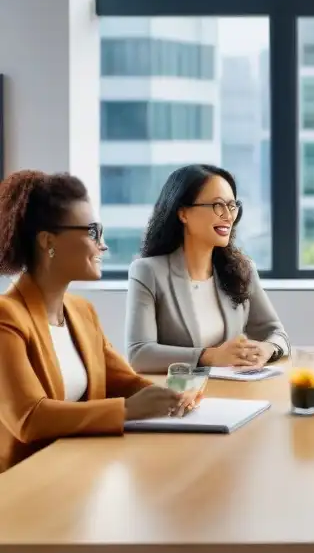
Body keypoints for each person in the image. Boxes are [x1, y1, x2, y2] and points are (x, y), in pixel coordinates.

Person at [0, 170, 187, 473]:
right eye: (92, 232)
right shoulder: (6, 317)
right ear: (49, 241)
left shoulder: (81, 311)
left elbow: (122, 382)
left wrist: (175, 396)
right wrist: (126, 411)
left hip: (77, 468)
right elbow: (29, 418)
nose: (103, 245)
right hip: (25, 482)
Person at [125, 164, 289, 373]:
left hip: (235, 394)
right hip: (179, 396)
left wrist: (267, 348)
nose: (228, 216)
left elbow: (277, 333)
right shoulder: (148, 272)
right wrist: (210, 356)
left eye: (232, 206)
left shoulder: (242, 269)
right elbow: (139, 354)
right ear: (183, 213)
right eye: (218, 205)